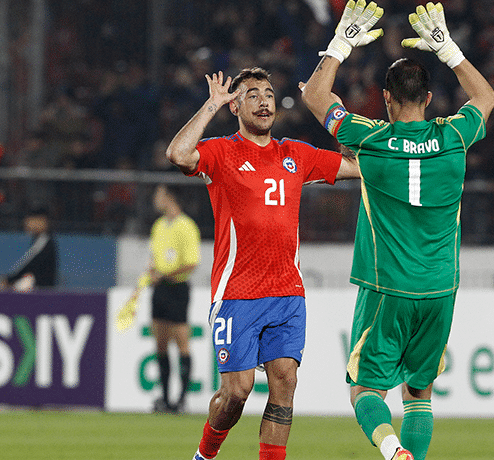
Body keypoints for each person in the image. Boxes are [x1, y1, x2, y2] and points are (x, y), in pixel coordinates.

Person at [301, 2, 494, 460]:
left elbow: (313, 96)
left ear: (386, 99)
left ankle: (393, 452)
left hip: (387, 287)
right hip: (440, 288)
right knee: (419, 392)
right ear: (429, 99)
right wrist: (449, 52)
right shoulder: (455, 137)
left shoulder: (369, 140)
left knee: (364, 389)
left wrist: (340, 43)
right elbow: (485, 98)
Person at [165, 66, 359, 460]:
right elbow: (178, 154)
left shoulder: (295, 154)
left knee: (285, 382)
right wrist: (210, 105)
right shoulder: (222, 151)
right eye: (252, 94)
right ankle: (204, 455)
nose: (263, 100)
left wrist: (334, 114)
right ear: (235, 105)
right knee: (236, 391)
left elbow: (355, 167)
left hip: (287, 291)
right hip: (237, 293)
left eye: (268, 93)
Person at [146, 184, 201, 413]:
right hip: (160, 290)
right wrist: (151, 272)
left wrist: (164, 274)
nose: (155, 199)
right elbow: (154, 257)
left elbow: (191, 263)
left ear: (169, 198)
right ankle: (166, 398)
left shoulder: (186, 226)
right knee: (160, 342)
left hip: (177, 288)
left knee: (181, 342)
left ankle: (181, 399)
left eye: (158, 195)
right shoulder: (158, 226)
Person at [0, 207, 58, 291]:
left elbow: (28, 263)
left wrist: (9, 279)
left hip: (41, 289)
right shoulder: (38, 239)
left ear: (42, 221)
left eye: (30, 220)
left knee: (23, 281)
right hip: (38, 287)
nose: (27, 223)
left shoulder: (44, 240)